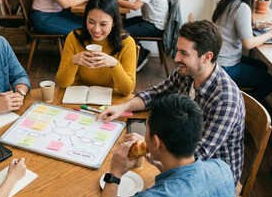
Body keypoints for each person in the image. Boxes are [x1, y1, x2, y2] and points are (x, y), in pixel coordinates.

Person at [98, 20, 245, 184]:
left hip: (213, 178)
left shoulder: (226, 100)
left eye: (184, 53)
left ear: (207, 57)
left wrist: (149, 145)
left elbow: (198, 156)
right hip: (181, 154)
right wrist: (122, 107)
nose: (176, 58)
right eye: (177, 51)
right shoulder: (187, 73)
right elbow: (155, 94)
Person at [93, 93, 236, 197]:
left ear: (156, 142)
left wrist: (114, 174)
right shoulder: (222, 169)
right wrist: (160, 164)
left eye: (146, 129)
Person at [56, 0, 136, 96]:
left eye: (103, 24)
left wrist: (114, 64)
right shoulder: (74, 38)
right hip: (80, 98)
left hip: (113, 99)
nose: (96, 30)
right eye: (91, 22)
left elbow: (127, 90)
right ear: (85, 19)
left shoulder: (127, 43)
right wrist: (74, 61)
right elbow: (62, 84)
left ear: (114, 22)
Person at [212, 0, 272, 101]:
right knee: (270, 82)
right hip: (225, 66)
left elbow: (233, 24)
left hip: (217, 60)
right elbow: (248, 44)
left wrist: (257, 25)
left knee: (262, 66)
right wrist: (271, 34)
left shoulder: (229, 0)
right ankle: (243, 105)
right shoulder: (242, 7)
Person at [108, 0, 169, 71]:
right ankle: (142, 52)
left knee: (121, 33)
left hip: (155, 26)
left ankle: (141, 55)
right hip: (147, 20)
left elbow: (135, 6)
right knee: (119, 24)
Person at [31, 0, 98, 36]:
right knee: (80, 31)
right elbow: (65, 4)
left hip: (57, 13)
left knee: (86, 24)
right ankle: (74, 53)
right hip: (43, 18)